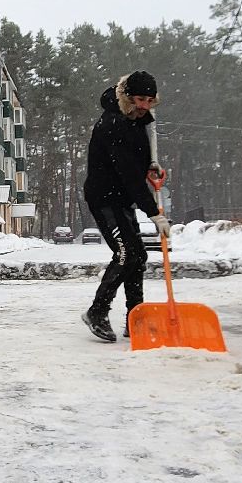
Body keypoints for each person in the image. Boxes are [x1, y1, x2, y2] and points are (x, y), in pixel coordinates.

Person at [80, 71, 168, 342]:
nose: (145, 106)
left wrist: (151, 167)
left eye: (150, 101)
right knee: (126, 253)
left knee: (138, 256)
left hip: (122, 198)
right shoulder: (112, 123)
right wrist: (153, 213)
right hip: (104, 198)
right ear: (127, 97)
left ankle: (136, 317)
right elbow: (127, 172)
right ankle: (97, 312)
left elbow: (136, 164)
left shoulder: (137, 120)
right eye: (140, 99)